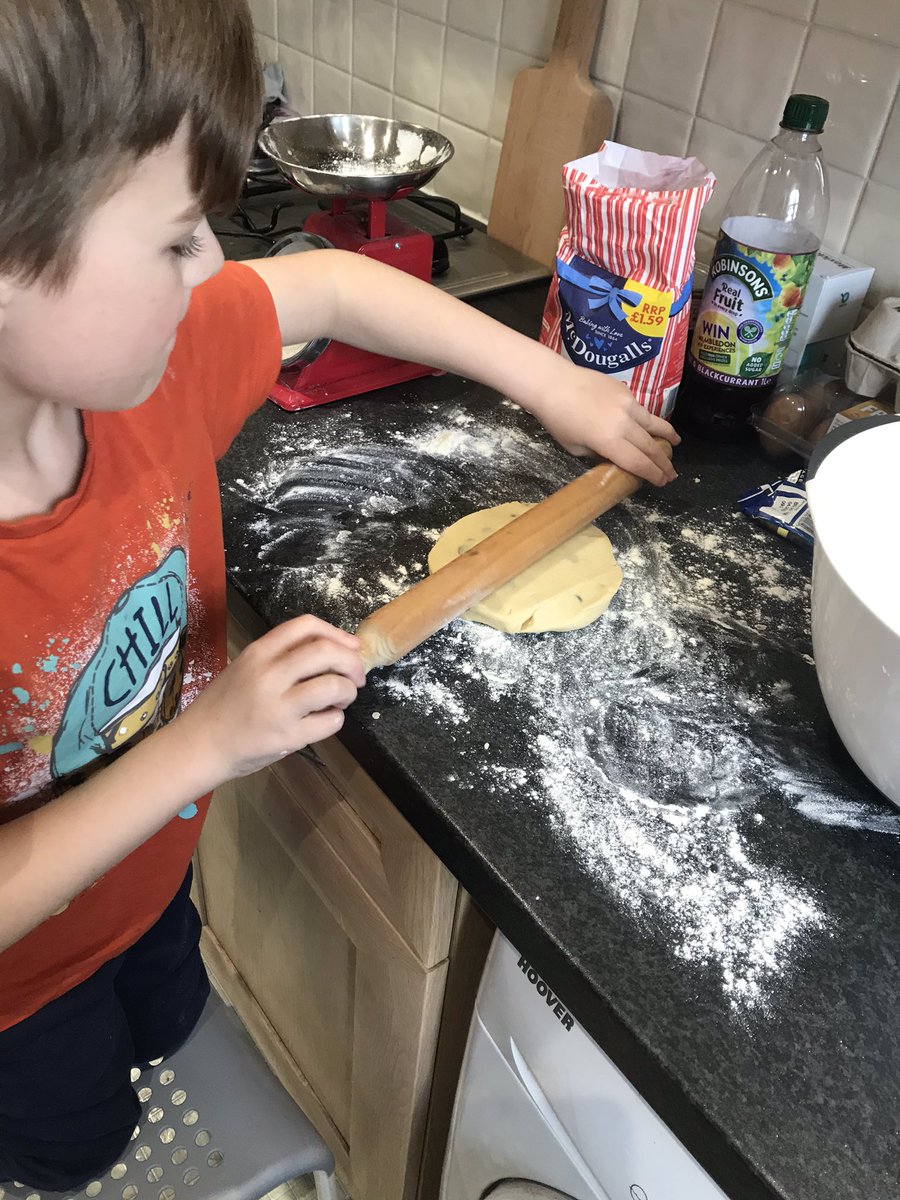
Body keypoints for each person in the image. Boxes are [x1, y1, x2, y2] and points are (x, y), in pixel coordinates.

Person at [0, 0, 679, 1187]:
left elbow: (325, 287)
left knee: (166, 1016)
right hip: (22, 997)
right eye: (176, 239)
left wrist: (551, 380)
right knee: (77, 1150)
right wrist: (206, 745)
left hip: (149, 887)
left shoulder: (138, 379)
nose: (214, 265)